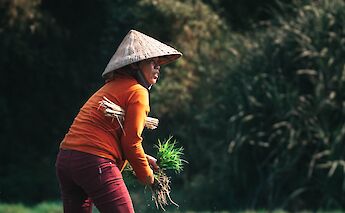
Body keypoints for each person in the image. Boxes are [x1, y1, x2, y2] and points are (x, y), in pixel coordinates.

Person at [55, 29, 182, 213]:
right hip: (93, 162)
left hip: (66, 160)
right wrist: (148, 177)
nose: (158, 67)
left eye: (158, 64)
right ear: (134, 66)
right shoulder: (138, 92)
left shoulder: (110, 88)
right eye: (152, 62)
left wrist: (144, 160)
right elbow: (131, 143)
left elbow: (108, 138)